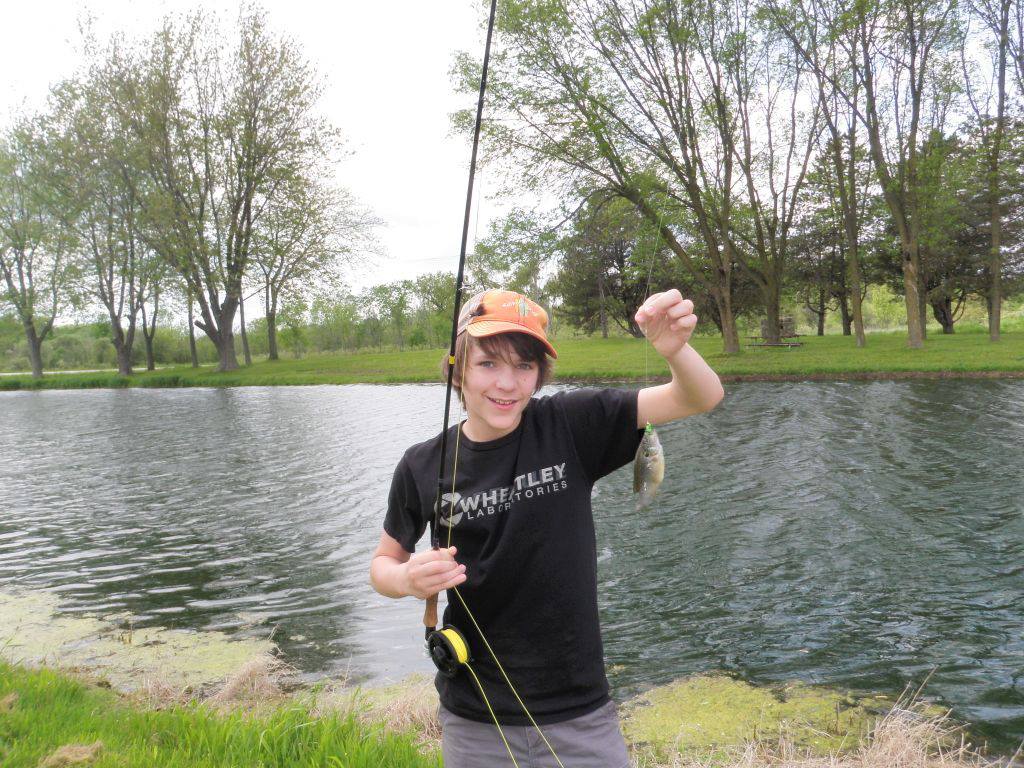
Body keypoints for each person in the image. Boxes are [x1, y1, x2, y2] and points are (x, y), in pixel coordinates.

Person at [370, 288, 724, 767]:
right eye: (488, 363)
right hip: (475, 717)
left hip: (581, 713)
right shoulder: (421, 464)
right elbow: (383, 564)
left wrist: (676, 350)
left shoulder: (570, 424)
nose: (507, 383)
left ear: (540, 374)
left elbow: (700, 396)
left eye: (524, 365)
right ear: (457, 370)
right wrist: (407, 579)